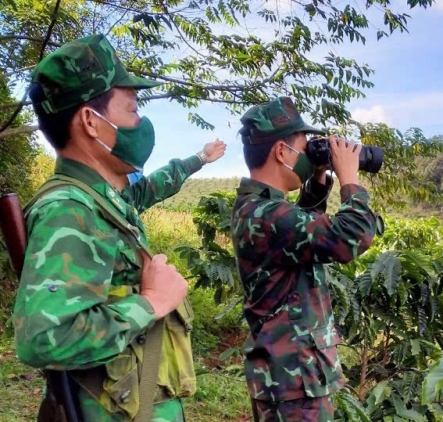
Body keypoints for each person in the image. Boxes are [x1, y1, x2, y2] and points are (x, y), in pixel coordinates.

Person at [12, 33, 226, 421]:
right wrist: (153, 302)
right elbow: (45, 339)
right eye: (131, 111)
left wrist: (199, 159)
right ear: (92, 122)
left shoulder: (104, 200)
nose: (140, 123)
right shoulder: (69, 209)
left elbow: (153, 186)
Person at [230, 96, 381, 421]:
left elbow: (299, 235)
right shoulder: (267, 215)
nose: (309, 152)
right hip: (294, 379)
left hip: (288, 373)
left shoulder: (257, 208)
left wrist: (318, 178)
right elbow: (348, 238)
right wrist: (350, 181)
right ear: (282, 152)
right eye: (304, 146)